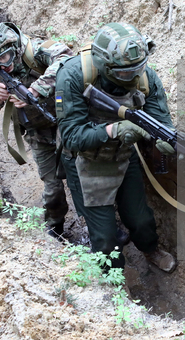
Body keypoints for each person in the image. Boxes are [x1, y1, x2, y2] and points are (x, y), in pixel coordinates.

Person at [55, 22, 177, 272]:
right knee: (104, 237)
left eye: (137, 69)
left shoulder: (144, 77)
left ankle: (150, 249)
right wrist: (114, 129)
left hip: (122, 154)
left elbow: (161, 121)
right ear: (104, 65)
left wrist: (163, 140)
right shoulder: (74, 75)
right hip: (84, 161)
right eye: (123, 73)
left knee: (141, 219)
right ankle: (114, 284)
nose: (132, 77)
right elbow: (71, 137)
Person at [0, 20, 78, 239]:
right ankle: (55, 232)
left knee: (81, 178)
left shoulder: (33, 51)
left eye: (4, 57)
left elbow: (68, 58)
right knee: (53, 190)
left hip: (69, 123)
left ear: (13, 46)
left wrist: (37, 88)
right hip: (38, 134)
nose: (1, 65)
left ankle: (101, 229)